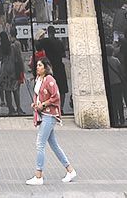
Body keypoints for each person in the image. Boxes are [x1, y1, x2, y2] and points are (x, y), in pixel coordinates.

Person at [27, 57, 75, 185]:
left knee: (40, 143)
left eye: (40, 65)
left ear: (46, 67)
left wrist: (43, 104)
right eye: (37, 65)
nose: (37, 67)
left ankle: (39, 175)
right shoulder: (39, 79)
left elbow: (56, 97)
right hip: (43, 114)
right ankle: (70, 170)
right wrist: (36, 104)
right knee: (53, 144)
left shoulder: (50, 80)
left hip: (50, 115)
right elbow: (38, 95)